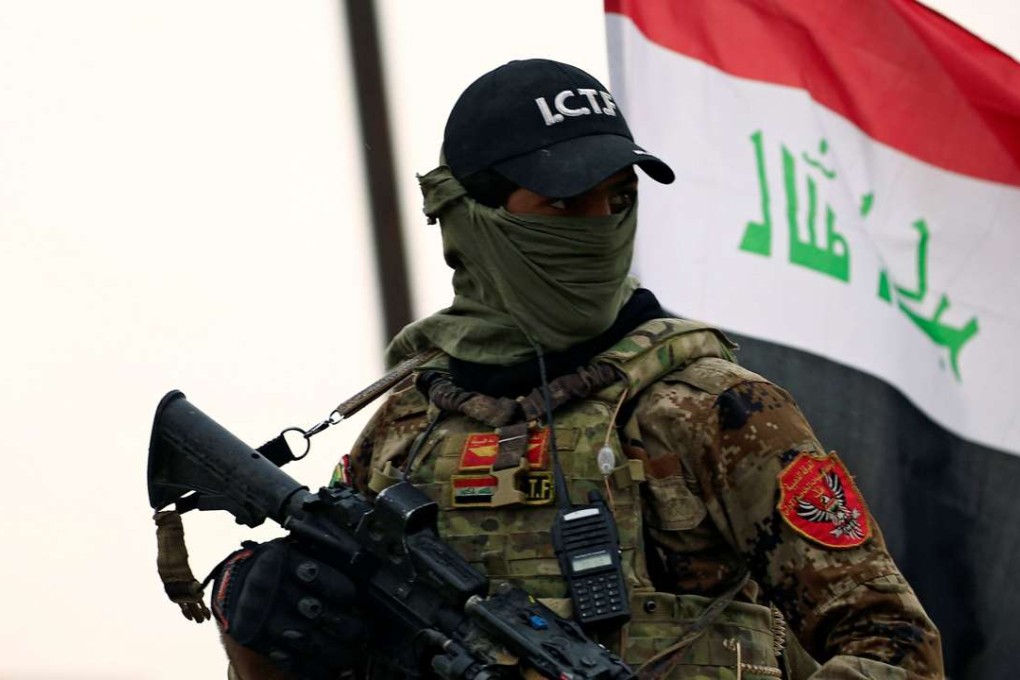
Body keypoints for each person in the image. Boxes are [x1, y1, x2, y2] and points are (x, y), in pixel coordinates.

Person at [216, 58, 944, 679]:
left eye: (618, 199)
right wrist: (260, 638)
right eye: (565, 203)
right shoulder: (407, 428)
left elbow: (896, 647)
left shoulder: (713, 410)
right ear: (475, 216)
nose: (599, 224)